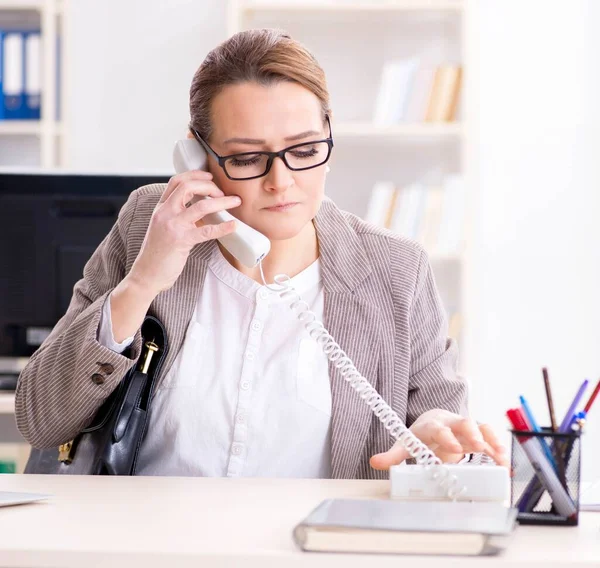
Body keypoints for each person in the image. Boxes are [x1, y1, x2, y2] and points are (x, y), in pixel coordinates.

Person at [16, 28, 507, 478]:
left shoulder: (396, 270)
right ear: (197, 157)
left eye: (305, 149)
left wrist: (438, 440)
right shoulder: (150, 223)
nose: (281, 182)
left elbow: (448, 434)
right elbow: (42, 419)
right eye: (247, 158)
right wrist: (143, 282)